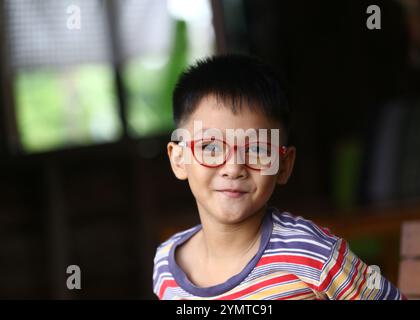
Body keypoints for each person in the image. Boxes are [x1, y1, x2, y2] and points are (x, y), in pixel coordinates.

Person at [153, 54, 405, 300]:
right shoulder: (166, 265)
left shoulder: (312, 252)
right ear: (179, 159)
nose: (233, 167)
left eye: (257, 149)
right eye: (211, 147)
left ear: (284, 165)